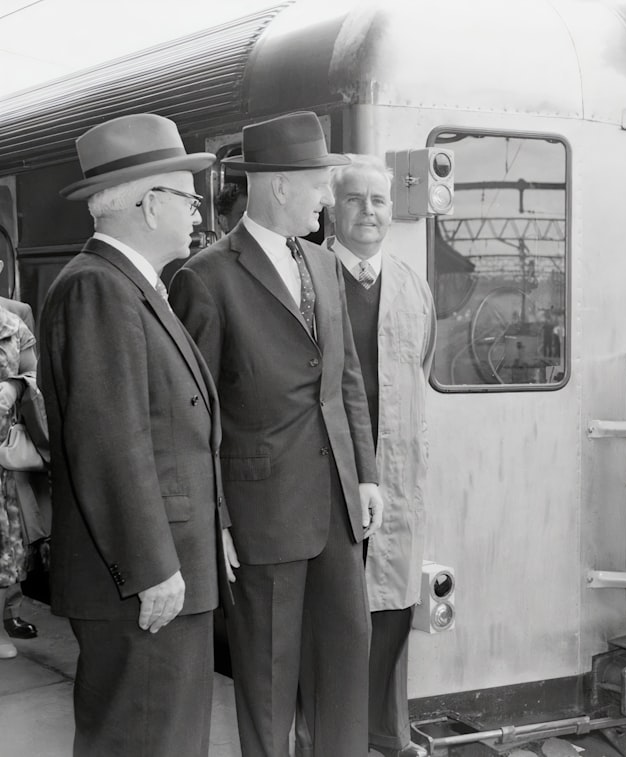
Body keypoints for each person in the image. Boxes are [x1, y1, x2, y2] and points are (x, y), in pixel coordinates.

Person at [169, 111, 384, 757]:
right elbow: (190, 413)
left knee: (345, 665)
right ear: (280, 186)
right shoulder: (205, 277)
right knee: (267, 679)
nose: (328, 198)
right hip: (262, 515)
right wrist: (219, 516)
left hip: (338, 508)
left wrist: (366, 473)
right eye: (320, 183)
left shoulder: (322, 265)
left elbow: (345, 379)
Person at [39, 113, 234, 757]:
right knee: (145, 739)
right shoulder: (99, 289)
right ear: (151, 204)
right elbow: (110, 444)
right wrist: (153, 568)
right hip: (145, 582)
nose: (199, 211)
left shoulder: (130, 287)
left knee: (167, 737)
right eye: (188, 196)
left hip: (167, 569)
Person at [327, 154, 435, 757]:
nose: (368, 211)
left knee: (393, 611)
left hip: (395, 476)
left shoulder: (412, 285)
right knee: (339, 617)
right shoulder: (309, 278)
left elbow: (420, 367)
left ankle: (387, 740)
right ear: (330, 208)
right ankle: (335, 741)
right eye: (354, 200)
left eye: (378, 201)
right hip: (332, 478)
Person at [0, 289, 42, 643]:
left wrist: (13, 388)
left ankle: (9, 614)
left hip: (3, 449)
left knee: (10, 535)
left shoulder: (16, 317)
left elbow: (35, 375)